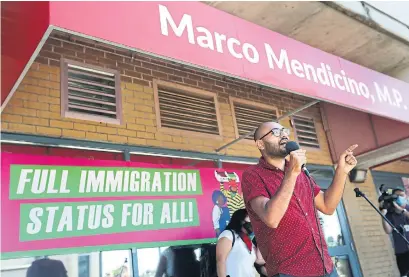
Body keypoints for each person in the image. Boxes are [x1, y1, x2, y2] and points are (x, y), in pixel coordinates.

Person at [241, 121, 358, 277]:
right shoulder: (253, 175)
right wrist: (292, 173)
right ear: (260, 144)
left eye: (284, 131)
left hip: (324, 266)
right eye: (276, 132)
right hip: (289, 272)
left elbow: (327, 206)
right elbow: (271, 218)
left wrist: (342, 171)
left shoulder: (301, 172)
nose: (283, 135)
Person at [216, 208, 266, 277]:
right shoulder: (228, 235)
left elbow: (258, 261)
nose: (252, 223)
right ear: (240, 220)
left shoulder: (247, 240)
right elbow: (220, 261)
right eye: (250, 219)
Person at [380, 188, 409, 277]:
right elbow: (388, 230)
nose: (400, 197)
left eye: (402, 195)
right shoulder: (390, 214)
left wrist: (402, 210)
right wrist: (383, 216)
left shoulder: (407, 209)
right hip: (402, 252)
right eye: (397, 196)